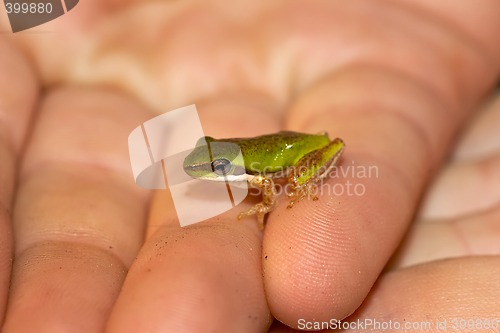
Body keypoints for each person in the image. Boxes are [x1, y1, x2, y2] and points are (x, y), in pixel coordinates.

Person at [0, 1, 499, 331]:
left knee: (300, 243)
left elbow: (266, 185)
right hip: (274, 143)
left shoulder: (252, 172)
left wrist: (267, 202)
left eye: (213, 167)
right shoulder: (231, 159)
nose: (207, 171)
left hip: (304, 150)